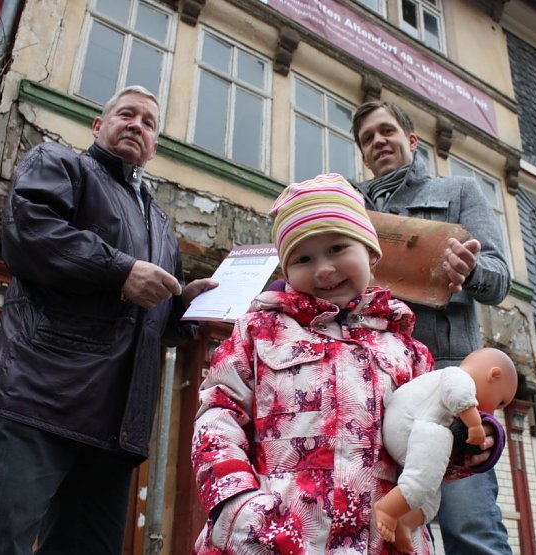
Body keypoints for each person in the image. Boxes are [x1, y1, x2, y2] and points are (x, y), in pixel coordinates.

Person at [0, 85, 216, 554]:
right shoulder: (60, 164)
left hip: (117, 427)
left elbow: (155, 318)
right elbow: (29, 231)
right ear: (99, 125)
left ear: (155, 146)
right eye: (126, 115)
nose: (137, 125)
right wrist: (121, 271)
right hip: (43, 398)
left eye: (149, 123)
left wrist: (185, 308)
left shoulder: (160, 225)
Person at [191, 174, 503, 553]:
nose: (323, 268)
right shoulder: (260, 331)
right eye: (303, 258)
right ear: (286, 271)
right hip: (272, 538)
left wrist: (467, 448)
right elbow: (217, 417)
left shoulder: (410, 351)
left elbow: (424, 448)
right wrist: (237, 507)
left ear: (372, 254)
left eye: (338, 248)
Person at [351, 100, 513, 555]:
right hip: (372, 386)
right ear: (363, 154)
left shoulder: (459, 192)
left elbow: (500, 279)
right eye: (368, 138)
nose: (378, 141)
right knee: (380, 529)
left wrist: (470, 269)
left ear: (412, 140)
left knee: (470, 528)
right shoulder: (349, 205)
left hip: (446, 381)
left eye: (387, 131)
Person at [374, 348, 518, 552]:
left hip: (411, 433)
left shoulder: (442, 378)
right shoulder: (458, 375)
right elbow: (460, 395)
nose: (493, 411)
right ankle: (388, 509)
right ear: (494, 375)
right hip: (412, 427)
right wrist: (475, 425)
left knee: (431, 493)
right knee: (423, 477)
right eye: (500, 401)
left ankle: (406, 521)